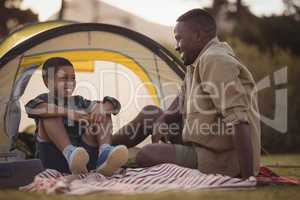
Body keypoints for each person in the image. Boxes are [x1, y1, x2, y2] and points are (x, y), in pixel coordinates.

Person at [111, 9, 261, 179]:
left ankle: (110, 160)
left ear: (198, 35)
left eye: (179, 38)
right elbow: (182, 97)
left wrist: (248, 177)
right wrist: (164, 118)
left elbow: (238, 120)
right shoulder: (196, 61)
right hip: (199, 144)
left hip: (221, 159)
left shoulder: (215, 60)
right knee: (150, 114)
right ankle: (100, 152)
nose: (176, 45)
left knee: (147, 154)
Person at [25, 57, 128, 175]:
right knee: (50, 113)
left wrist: (102, 108)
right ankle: (69, 152)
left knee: (101, 111)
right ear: (47, 81)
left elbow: (115, 105)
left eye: (73, 78)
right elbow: (31, 108)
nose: (70, 83)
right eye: (63, 78)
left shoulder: (79, 101)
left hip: (83, 161)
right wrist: (68, 112)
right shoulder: (42, 100)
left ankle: (104, 154)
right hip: (53, 160)